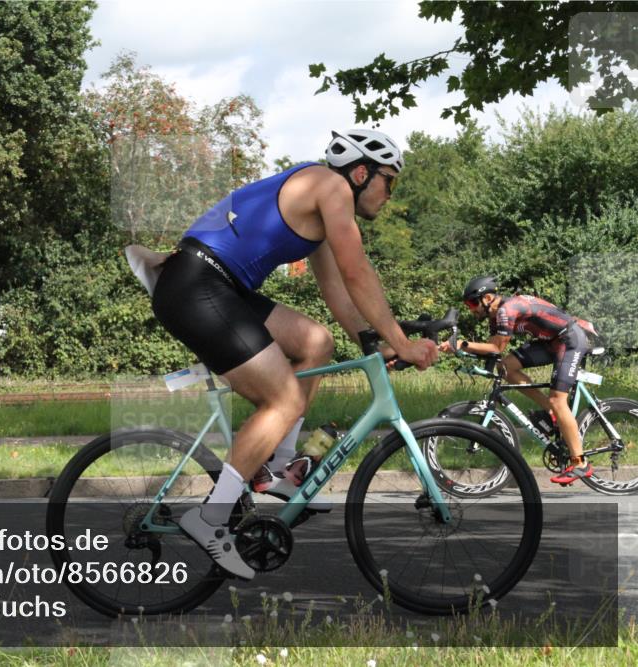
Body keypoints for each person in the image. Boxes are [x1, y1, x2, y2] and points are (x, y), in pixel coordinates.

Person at [149, 129, 438, 579]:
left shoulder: (322, 201)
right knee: (282, 400)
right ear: (362, 173)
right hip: (198, 286)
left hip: (217, 287)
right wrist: (402, 342)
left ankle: (275, 468)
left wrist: (371, 343)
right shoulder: (331, 187)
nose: (389, 194)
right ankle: (209, 518)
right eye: (389, 181)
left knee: (315, 343)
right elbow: (358, 272)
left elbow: (337, 289)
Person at [438, 276, 596, 485]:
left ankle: (580, 463)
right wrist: (461, 349)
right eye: (468, 305)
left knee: (559, 400)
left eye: (472, 303)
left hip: (570, 339)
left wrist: (461, 344)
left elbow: (495, 348)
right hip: (550, 341)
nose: (471, 309)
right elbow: (493, 351)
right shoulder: (496, 316)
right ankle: (551, 412)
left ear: (487, 298)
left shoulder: (507, 310)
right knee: (505, 367)